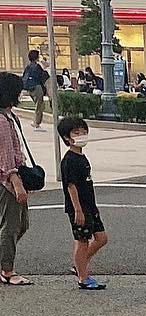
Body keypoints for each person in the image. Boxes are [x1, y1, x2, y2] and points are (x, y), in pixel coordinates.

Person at [58, 117, 109, 291]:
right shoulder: (70, 160)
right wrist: (77, 210)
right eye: (77, 133)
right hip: (79, 208)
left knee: (101, 238)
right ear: (67, 138)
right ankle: (83, 276)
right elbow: (71, 186)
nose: (82, 135)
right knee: (82, 240)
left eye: (84, 132)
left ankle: (80, 264)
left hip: (90, 206)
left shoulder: (81, 157)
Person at [0, 71, 34, 286]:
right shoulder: (2, 120)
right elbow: (5, 155)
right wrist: (16, 182)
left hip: (13, 176)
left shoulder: (9, 116)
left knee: (21, 224)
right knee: (11, 226)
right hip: (7, 180)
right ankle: (8, 270)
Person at [20, 50, 48, 130]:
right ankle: (37, 123)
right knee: (40, 105)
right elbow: (43, 75)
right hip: (37, 87)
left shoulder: (28, 66)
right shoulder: (37, 66)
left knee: (38, 105)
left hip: (30, 87)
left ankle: (35, 121)